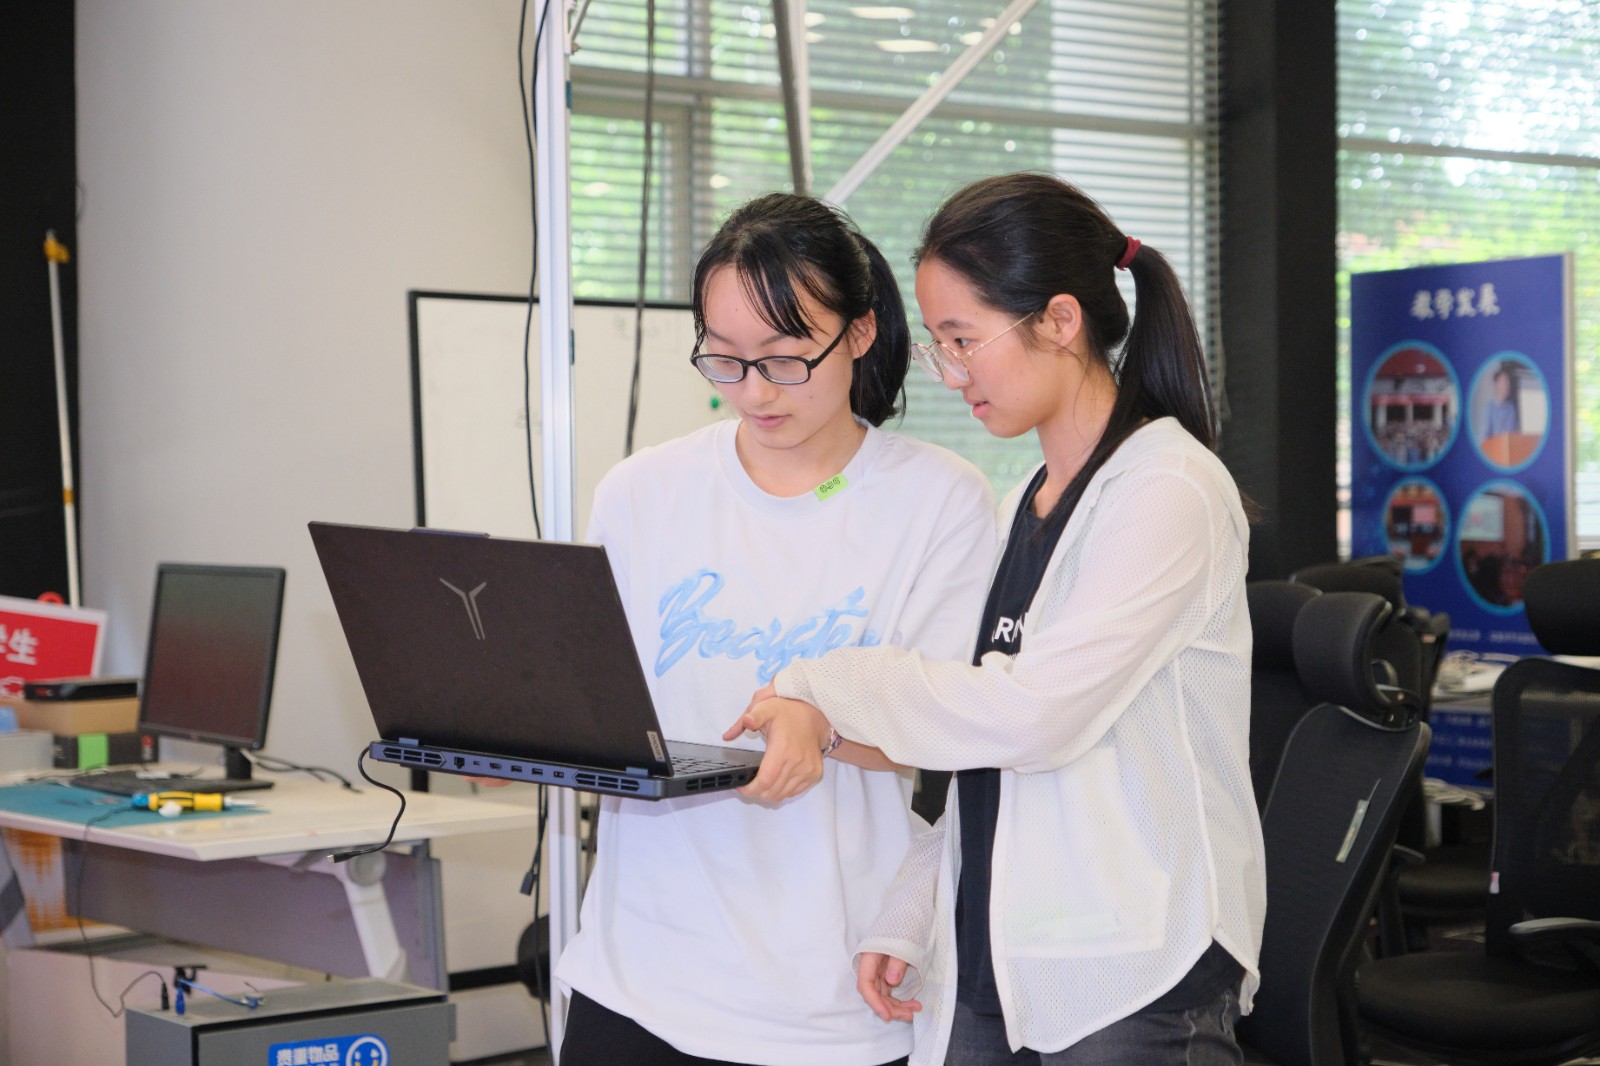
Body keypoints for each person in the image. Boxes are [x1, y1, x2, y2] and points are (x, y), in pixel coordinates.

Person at [728, 173, 1265, 1065]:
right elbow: (986, 748)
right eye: (939, 344)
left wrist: (819, 682)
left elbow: (1031, 716)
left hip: (1130, 965)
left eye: (965, 339)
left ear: (1060, 321)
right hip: (1006, 951)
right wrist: (916, 911)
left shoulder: (1166, 490)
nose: (952, 373)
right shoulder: (1026, 501)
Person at [551, 193, 998, 1066]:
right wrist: (514, 728)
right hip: (638, 975)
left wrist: (820, 723)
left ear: (859, 334)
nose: (753, 391)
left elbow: (943, 726)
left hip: (830, 993)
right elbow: (586, 686)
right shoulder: (642, 492)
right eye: (724, 359)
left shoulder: (938, 499)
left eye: (786, 359)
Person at [1483, 361, 1521, 439]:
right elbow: (1485, 437)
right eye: (1504, 381)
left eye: (1508, 382)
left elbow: (1516, 433)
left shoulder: (1511, 408)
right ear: (1496, 384)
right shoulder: (1489, 408)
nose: (1508, 385)